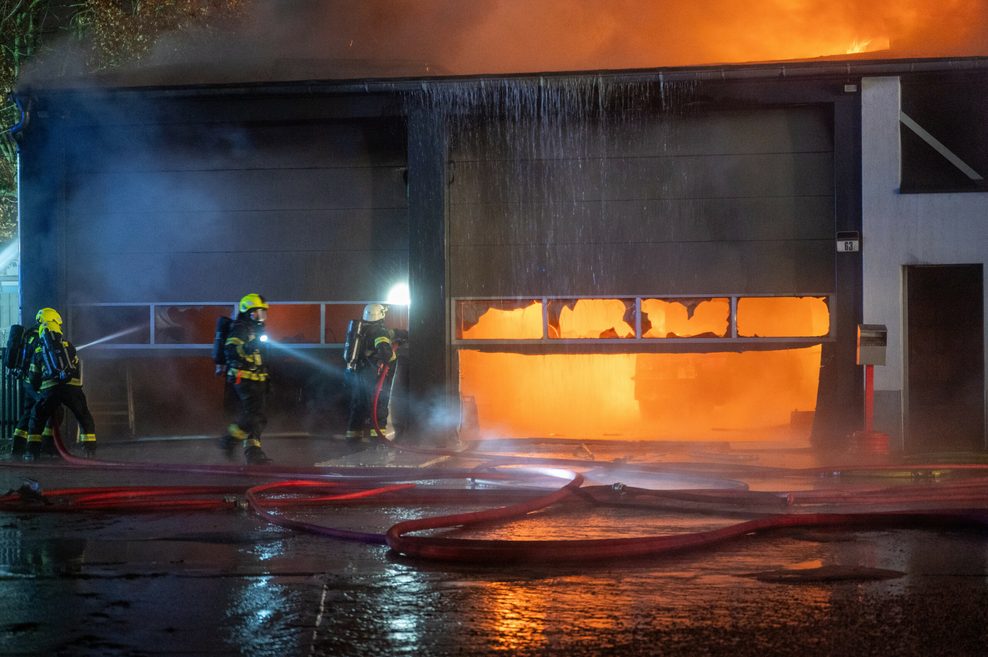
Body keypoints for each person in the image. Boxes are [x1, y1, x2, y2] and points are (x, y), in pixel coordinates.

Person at [25, 308, 97, 461]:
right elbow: (76, 367)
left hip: (49, 389)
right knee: (83, 416)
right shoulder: (68, 346)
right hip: (72, 389)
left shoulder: (39, 349)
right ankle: (89, 450)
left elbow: (34, 376)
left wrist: (39, 392)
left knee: (37, 418)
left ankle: (32, 453)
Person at [218, 293, 272, 465]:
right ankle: (228, 441)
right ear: (247, 312)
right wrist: (248, 346)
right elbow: (231, 350)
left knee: (259, 417)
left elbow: (261, 357)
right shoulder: (240, 328)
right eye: (257, 313)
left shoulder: (256, 329)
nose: (261, 317)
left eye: (263, 313)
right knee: (252, 417)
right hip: (244, 378)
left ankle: (253, 452)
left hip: (257, 379)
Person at [344, 303, 407, 441]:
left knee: (358, 404)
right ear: (381, 315)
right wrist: (391, 355)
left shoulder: (361, 329)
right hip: (373, 374)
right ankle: (378, 439)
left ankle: (353, 437)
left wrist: (401, 334)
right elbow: (385, 352)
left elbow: (389, 333)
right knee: (379, 404)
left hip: (358, 373)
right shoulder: (379, 331)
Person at [7, 311, 60, 459]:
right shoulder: (40, 336)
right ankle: (44, 446)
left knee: (28, 412)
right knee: (49, 409)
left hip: (27, 381)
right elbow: (41, 358)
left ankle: (17, 448)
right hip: (35, 381)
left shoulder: (28, 335)